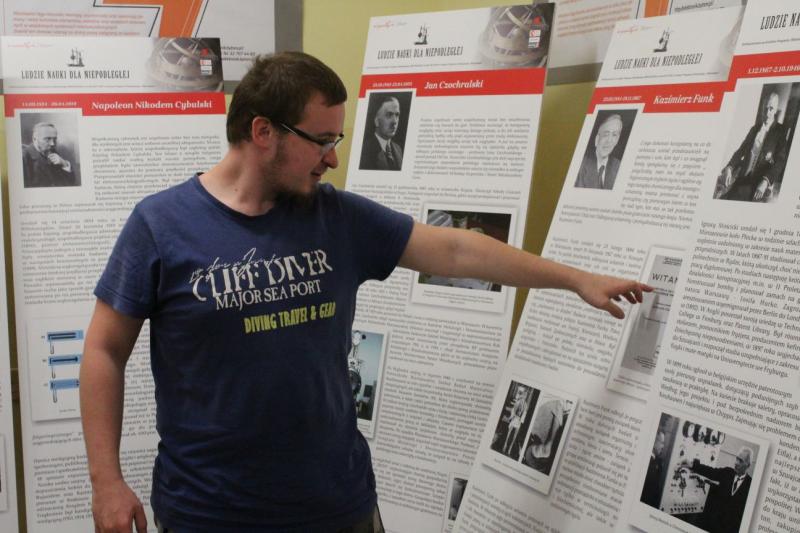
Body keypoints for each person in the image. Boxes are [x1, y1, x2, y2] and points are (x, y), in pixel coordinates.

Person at [80, 51, 651, 533]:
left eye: (338, 139)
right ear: (263, 132)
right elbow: (105, 350)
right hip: (212, 512)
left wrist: (576, 279)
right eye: (321, 141)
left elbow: (456, 250)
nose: (333, 159)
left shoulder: (336, 218)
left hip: (338, 504)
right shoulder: (161, 225)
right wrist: (106, 482)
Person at [717, 92, 787, 202]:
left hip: (759, 186)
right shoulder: (754, 128)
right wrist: (729, 167)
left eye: (771, 109)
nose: (767, 113)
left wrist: (766, 180)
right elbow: (741, 151)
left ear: (775, 110)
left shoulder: (780, 131)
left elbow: (780, 161)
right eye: (765, 108)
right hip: (742, 180)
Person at [686, 447, 753, 533]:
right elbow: (711, 471)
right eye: (737, 458)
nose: (736, 463)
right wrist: (693, 465)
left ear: (748, 465)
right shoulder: (727, 472)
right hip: (713, 526)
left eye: (740, 461)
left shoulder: (750, 485)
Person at [575, 114, 623, 190]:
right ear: (597, 139)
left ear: (617, 140)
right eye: (606, 134)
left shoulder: (619, 167)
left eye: (614, 135)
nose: (609, 140)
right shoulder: (579, 165)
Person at [22, 122, 77, 187]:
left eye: (55, 139)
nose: (52, 144)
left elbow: (71, 183)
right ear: (35, 139)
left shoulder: (53, 152)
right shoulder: (24, 158)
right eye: (47, 139)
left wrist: (64, 164)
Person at [359, 95, 403, 170]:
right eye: (389, 115)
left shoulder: (398, 149)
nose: (395, 121)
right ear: (376, 121)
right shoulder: (364, 150)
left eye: (397, 115)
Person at [640, 430, 666, 508]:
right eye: (662, 443)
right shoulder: (645, 461)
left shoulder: (658, 462)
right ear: (654, 442)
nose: (663, 447)